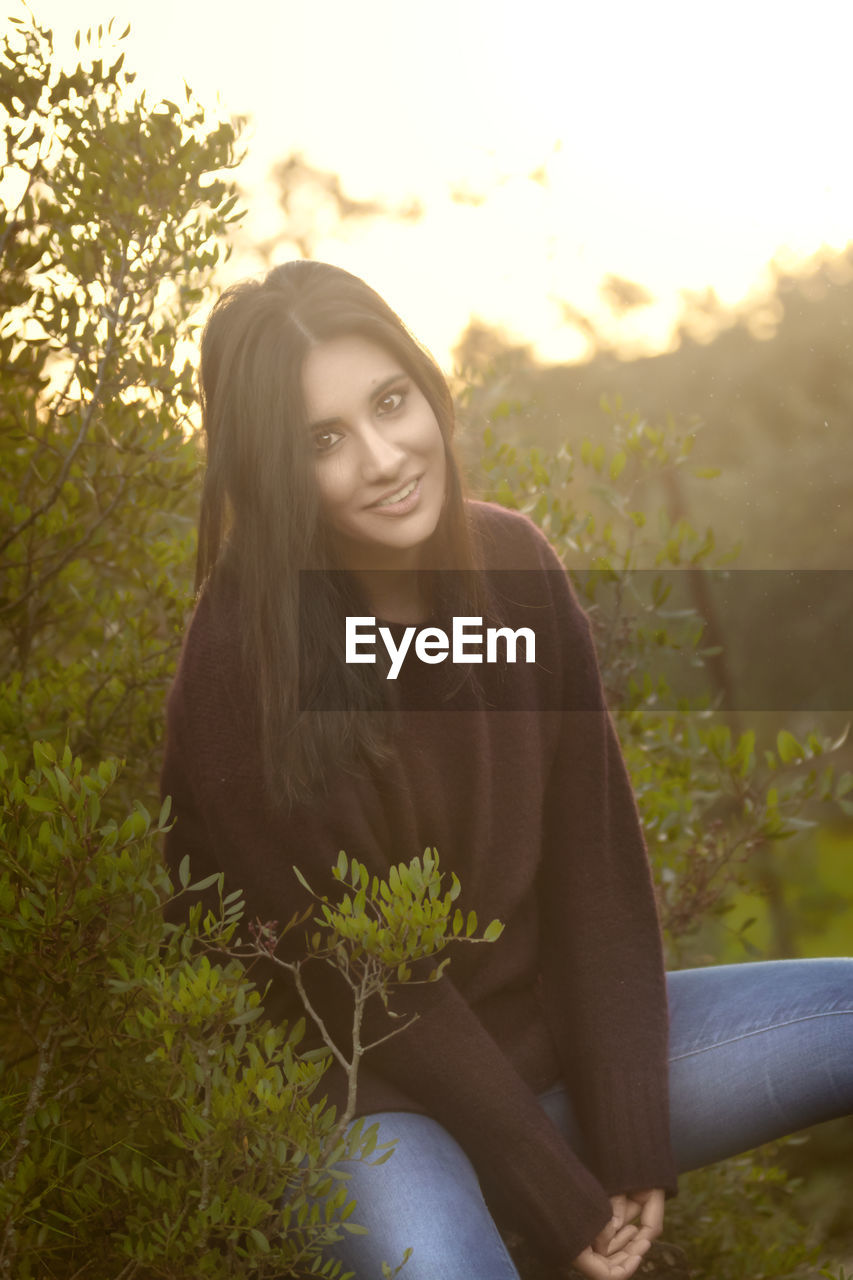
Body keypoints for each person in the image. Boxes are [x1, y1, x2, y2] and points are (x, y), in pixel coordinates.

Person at [161, 260, 853, 1280]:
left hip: (547, 1059)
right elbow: (374, 990)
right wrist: (552, 1193)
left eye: (391, 402)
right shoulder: (241, 661)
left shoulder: (513, 569)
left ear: (426, 388)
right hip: (367, 1096)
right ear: (272, 469)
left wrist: (626, 1141)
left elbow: (595, 874)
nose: (385, 455)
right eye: (325, 439)